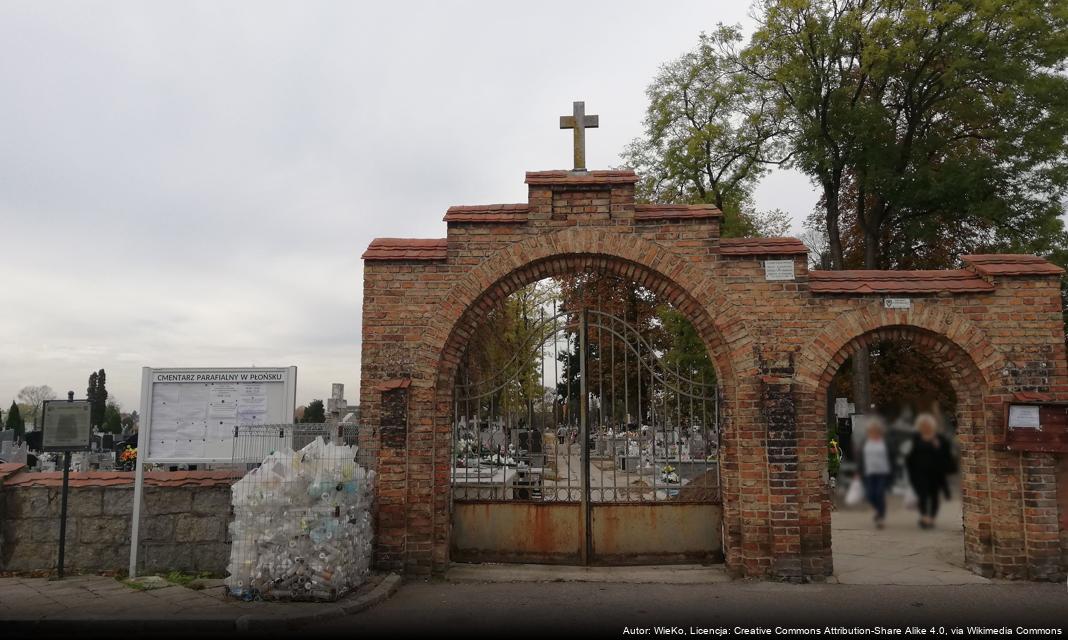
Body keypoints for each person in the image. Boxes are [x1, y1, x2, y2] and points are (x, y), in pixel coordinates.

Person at [906, 412, 955, 529]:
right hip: (919, 473)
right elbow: (911, 455)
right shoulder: (916, 438)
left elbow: (947, 456)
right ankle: (924, 516)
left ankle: (932, 518)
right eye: (923, 425)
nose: (925, 427)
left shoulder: (940, 439)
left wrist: (938, 447)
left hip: (936, 473)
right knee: (922, 495)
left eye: (927, 425)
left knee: (933, 495)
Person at [856, 416, 895, 529]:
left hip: (883, 472)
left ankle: (881, 516)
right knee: (869, 495)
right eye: (871, 429)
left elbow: (892, 457)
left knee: (879, 493)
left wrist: (893, 472)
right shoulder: (865, 442)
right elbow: (861, 458)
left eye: (875, 429)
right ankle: (878, 510)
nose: (873, 431)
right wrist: (858, 471)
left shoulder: (885, 442)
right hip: (869, 473)